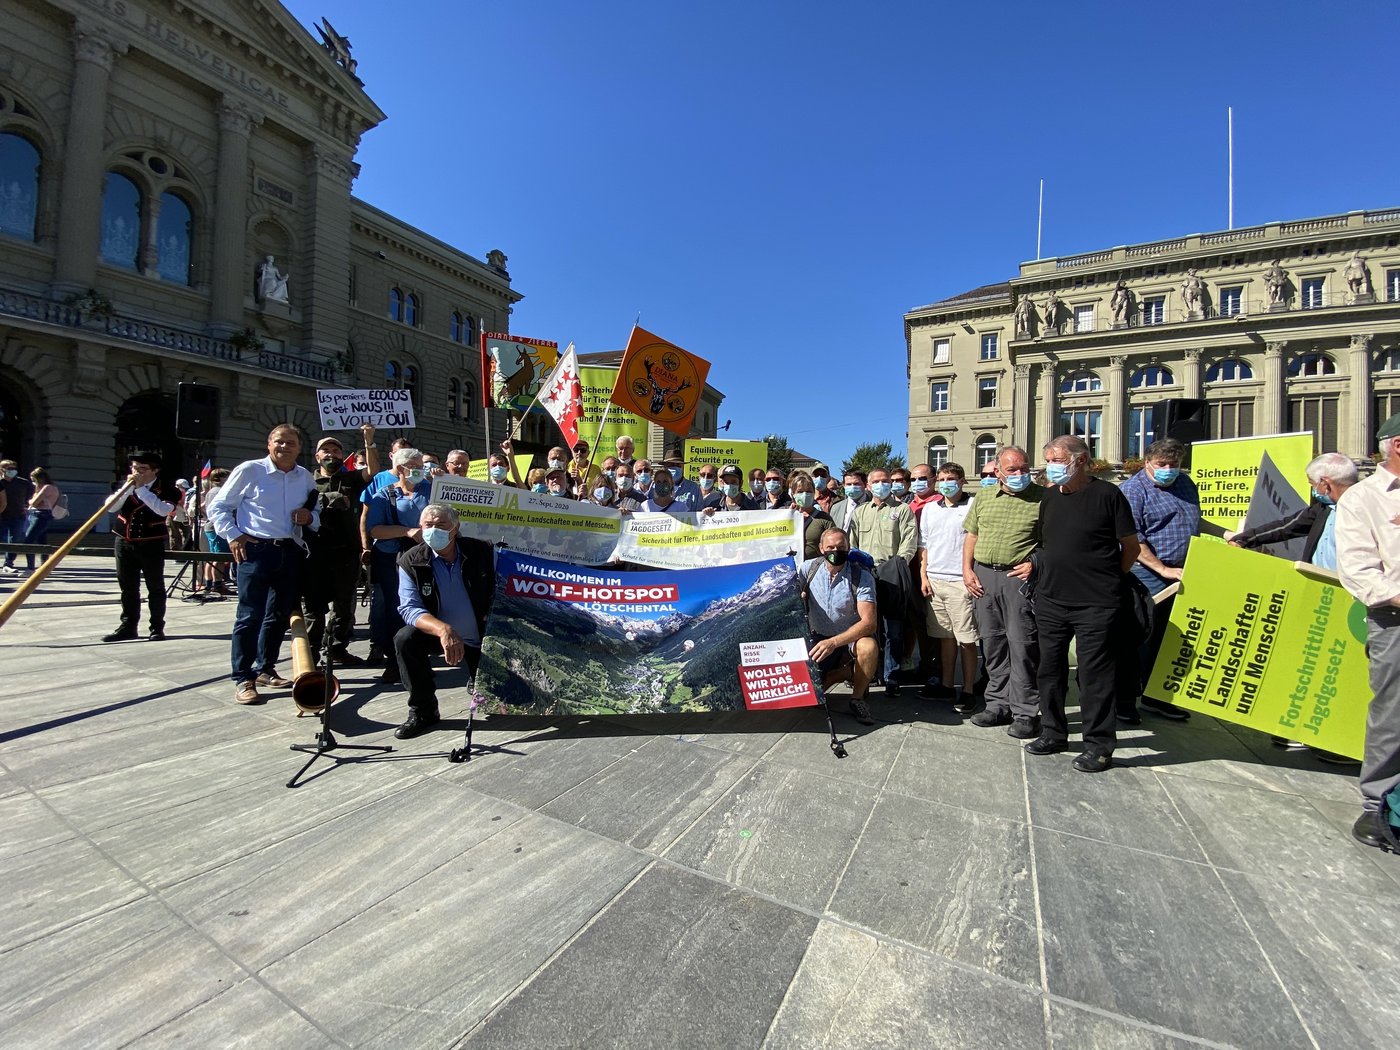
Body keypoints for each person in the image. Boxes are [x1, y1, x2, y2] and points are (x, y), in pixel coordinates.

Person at [1023, 436, 1140, 773]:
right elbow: (1046, 544)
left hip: (1096, 603)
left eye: (1057, 459)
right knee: (1049, 670)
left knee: (1094, 676)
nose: (1050, 466)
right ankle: (1054, 733)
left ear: (1081, 460)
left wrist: (1109, 578)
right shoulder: (1049, 498)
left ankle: (1099, 745)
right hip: (1051, 599)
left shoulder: (1108, 495)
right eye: (1047, 460)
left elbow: (1129, 547)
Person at [206, 424, 320, 705]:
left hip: (289, 550)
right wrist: (233, 535)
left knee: (278, 615)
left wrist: (310, 517)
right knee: (249, 615)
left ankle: (265, 668)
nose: (284, 447)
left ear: (299, 447)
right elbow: (218, 507)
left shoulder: (304, 477)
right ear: (269, 444)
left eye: (291, 443)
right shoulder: (250, 470)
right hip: (255, 550)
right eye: (279, 442)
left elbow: (314, 511)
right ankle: (243, 677)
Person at [1336, 413, 1400, 851]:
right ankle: (1377, 803)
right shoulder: (1362, 499)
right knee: (1393, 713)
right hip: (1394, 619)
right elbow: (1358, 572)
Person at [392, 502, 495, 739]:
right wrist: (443, 629)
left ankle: (478, 679)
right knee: (404, 639)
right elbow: (409, 608)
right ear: (420, 527)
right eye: (428, 525)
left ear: (456, 528)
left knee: (501, 702)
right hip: (439, 636)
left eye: (441, 525)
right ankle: (423, 710)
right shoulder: (410, 561)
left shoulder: (481, 551)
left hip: (482, 635)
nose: (434, 530)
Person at [962, 446, 1043, 738]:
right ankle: (997, 704)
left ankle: (1025, 711)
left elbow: (1051, 542)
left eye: (1024, 468)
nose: (1020, 474)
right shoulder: (983, 496)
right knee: (993, 644)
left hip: (1016, 579)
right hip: (984, 576)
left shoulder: (1042, 499)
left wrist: (1035, 563)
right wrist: (967, 570)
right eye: (1012, 470)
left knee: (1022, 645)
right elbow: (972, 535)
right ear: (997, 471)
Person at [1119, 437, 1200, 723]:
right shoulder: (1133, 490)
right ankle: (1126, 698)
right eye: (1162, 464)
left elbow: (1195, 524)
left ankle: (1158, 696)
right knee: (1141, 635)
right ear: (1147, 463)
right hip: (1146, 574)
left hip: (1182, 571)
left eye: (1174, 464)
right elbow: (1133, 539)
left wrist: (1228, 536)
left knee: (1170, 639)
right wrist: (1162, 568)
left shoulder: (1185, 484)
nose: (1168, 469)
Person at [303, 428, 378, 666]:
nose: (331, 454)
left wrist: (369, 441)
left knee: (344, 605)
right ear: (317, 456)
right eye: (326, 450)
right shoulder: (305, 481)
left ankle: (336, 648)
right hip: (315, 553)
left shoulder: (351, 479)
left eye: (336, 451)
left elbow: (372, 471)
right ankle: (311, 653)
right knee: (314, 607)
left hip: (346, 552)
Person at [365, 447, 432, 684]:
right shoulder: (384, 495)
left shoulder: (430, 489)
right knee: (395, 606)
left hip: (423, 557)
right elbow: (374, 529)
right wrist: (407, 531)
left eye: (422, 467)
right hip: (392, 558)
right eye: (415, 467)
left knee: (424, 603)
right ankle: (394, 662)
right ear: (402, 469)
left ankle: (420, 654)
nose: (420, 471)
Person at [849, 467, 918, 695]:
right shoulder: (860, 512)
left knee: (894, 630)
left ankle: (892, 677)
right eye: (876, 481)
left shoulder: (903, 510)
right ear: (868, 486)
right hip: (866, 574)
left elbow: (909, 542)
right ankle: (870, 674)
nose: (881, 484)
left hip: (892, 574)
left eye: (885, 480)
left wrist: (898, 565)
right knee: (868, 628)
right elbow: (853, 542)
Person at [802, 527, 879, 725]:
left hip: (849, 637)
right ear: (821, 548)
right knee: (810, 695)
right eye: (830, 547)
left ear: (848, 547)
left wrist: (834, 642)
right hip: (818, 636)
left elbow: (869, 623)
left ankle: (857, 698)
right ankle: (844, 672)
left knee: (869, 647)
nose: (836, 551)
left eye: (841, 547)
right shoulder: (808, 569)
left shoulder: (861, 576)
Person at [918, 463, 978, 711]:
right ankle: (946, 685)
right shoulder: (931, 509)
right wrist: (923, 575)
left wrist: (969, 574)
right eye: (941, 479)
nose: (945, 483)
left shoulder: (973, 505)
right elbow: (924, 544)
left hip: (960, 581)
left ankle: (968, 690)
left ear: (962, 480)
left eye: (951, 478)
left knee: (966, 639)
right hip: (935, 579)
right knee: (945, 637)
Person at [103, 452, 176, 642]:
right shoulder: (125, 487)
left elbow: (162, 510)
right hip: (124, 541)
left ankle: (157, 627)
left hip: (151, 543)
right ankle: (128, 626)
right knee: (127, 587)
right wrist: (127, 490)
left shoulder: (169, 489)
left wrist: (142, 489)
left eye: (142, 469)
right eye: (134, 468)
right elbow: (110, 507)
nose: (136, 472)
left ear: (155, 471)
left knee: (155, 587)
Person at [22, 468, 60, 572]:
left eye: (34, 480)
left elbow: (34, 502)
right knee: (42, 541)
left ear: (39, 478)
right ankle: (45, 566)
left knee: (28, 540)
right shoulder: (54, 488)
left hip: (39, 514)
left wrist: (30, 500)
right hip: (45, 514)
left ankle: (30, 568)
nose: (33, 482)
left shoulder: (47, 488)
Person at [0, 458, 33, 574]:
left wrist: (26, 506)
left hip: (18, 515)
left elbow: (32, 495)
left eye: (14, 468)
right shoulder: (1, 483)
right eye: (9, 468)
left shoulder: (23, 482)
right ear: (2, 469)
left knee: (14, 540)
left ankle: (8, 564)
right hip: (2, 516)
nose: (12, 471)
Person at [789, 471, 832, 559]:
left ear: (813, 493)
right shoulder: (784, 515)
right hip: (789, 567)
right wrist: (788, 516)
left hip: (814, 568)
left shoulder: (824, 518)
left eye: (808, 491)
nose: (805, 495)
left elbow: (833, 544)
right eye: (800, 491)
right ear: (793, 494)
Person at [169, 479, 193, 551]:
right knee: (175, 535)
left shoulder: (185, 492)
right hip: (173, 515)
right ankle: (176, 554)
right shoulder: (172, 492)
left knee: (187, 533)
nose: (183, 488)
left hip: (183, 516)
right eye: (181, 486)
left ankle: (185, 551)